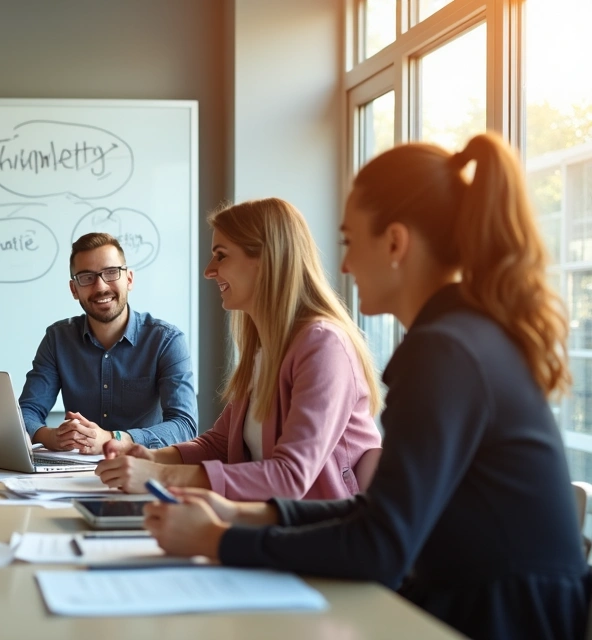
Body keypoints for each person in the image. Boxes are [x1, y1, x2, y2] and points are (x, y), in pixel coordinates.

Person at [144, 134, 590, 640]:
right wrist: (243, 515)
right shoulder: (461, 336)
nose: (347, 266)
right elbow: (381, 514)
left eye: (351, 241)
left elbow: (380, 544)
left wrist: (220, 541)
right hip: (484, 600)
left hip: (495, 617)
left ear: (396, 242)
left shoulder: (444, 350)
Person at [96, 198, 382, 500]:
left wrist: (161, 476)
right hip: (262, 523)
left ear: (266, 260)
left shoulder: (323, 345)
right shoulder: (263, 348)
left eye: (221, 256)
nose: (209, 271)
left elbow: (290, 477)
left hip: (319, 535)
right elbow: (219, 445)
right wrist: (153, 458)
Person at [18, 232, 198, 454]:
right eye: (86, 277)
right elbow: (27, 411)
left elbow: (184, 426)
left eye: (111, 272)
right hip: (72, 473)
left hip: (144, 469)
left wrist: (113, 439)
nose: (100, 286)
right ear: (74, 289)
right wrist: (51, 437)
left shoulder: (167, 341)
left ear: (129, 279)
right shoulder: (57, 339)